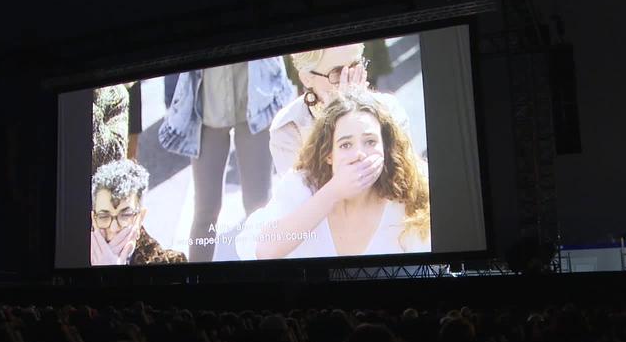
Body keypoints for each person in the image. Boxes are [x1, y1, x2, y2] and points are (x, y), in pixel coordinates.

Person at [236, 89, 430, 260]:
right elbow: (263, 251)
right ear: (329, 154)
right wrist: (334, 191)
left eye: (370, 141)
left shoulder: (408, 197)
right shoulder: (303, 185)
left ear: (385, 147)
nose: (359, 154)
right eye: (346, 145)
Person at [158, 58, 295, 262]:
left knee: (258, 206)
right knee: (206, 210)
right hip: (206, 107)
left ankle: (266, 279)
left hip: (256, 103)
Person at [270, 42, 410, 176]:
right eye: (337, 73)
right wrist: (336, 118)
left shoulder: (390, 110)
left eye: (355, 66)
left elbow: (403, 180)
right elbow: (302, 196)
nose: (349, 80)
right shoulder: (288, 127)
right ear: (307, 78)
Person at [90, 159, 186, 266]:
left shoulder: (173, 263)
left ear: (140, 217)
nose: (114, 228)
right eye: (104, 216)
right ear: (93, 218)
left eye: (125, 215)